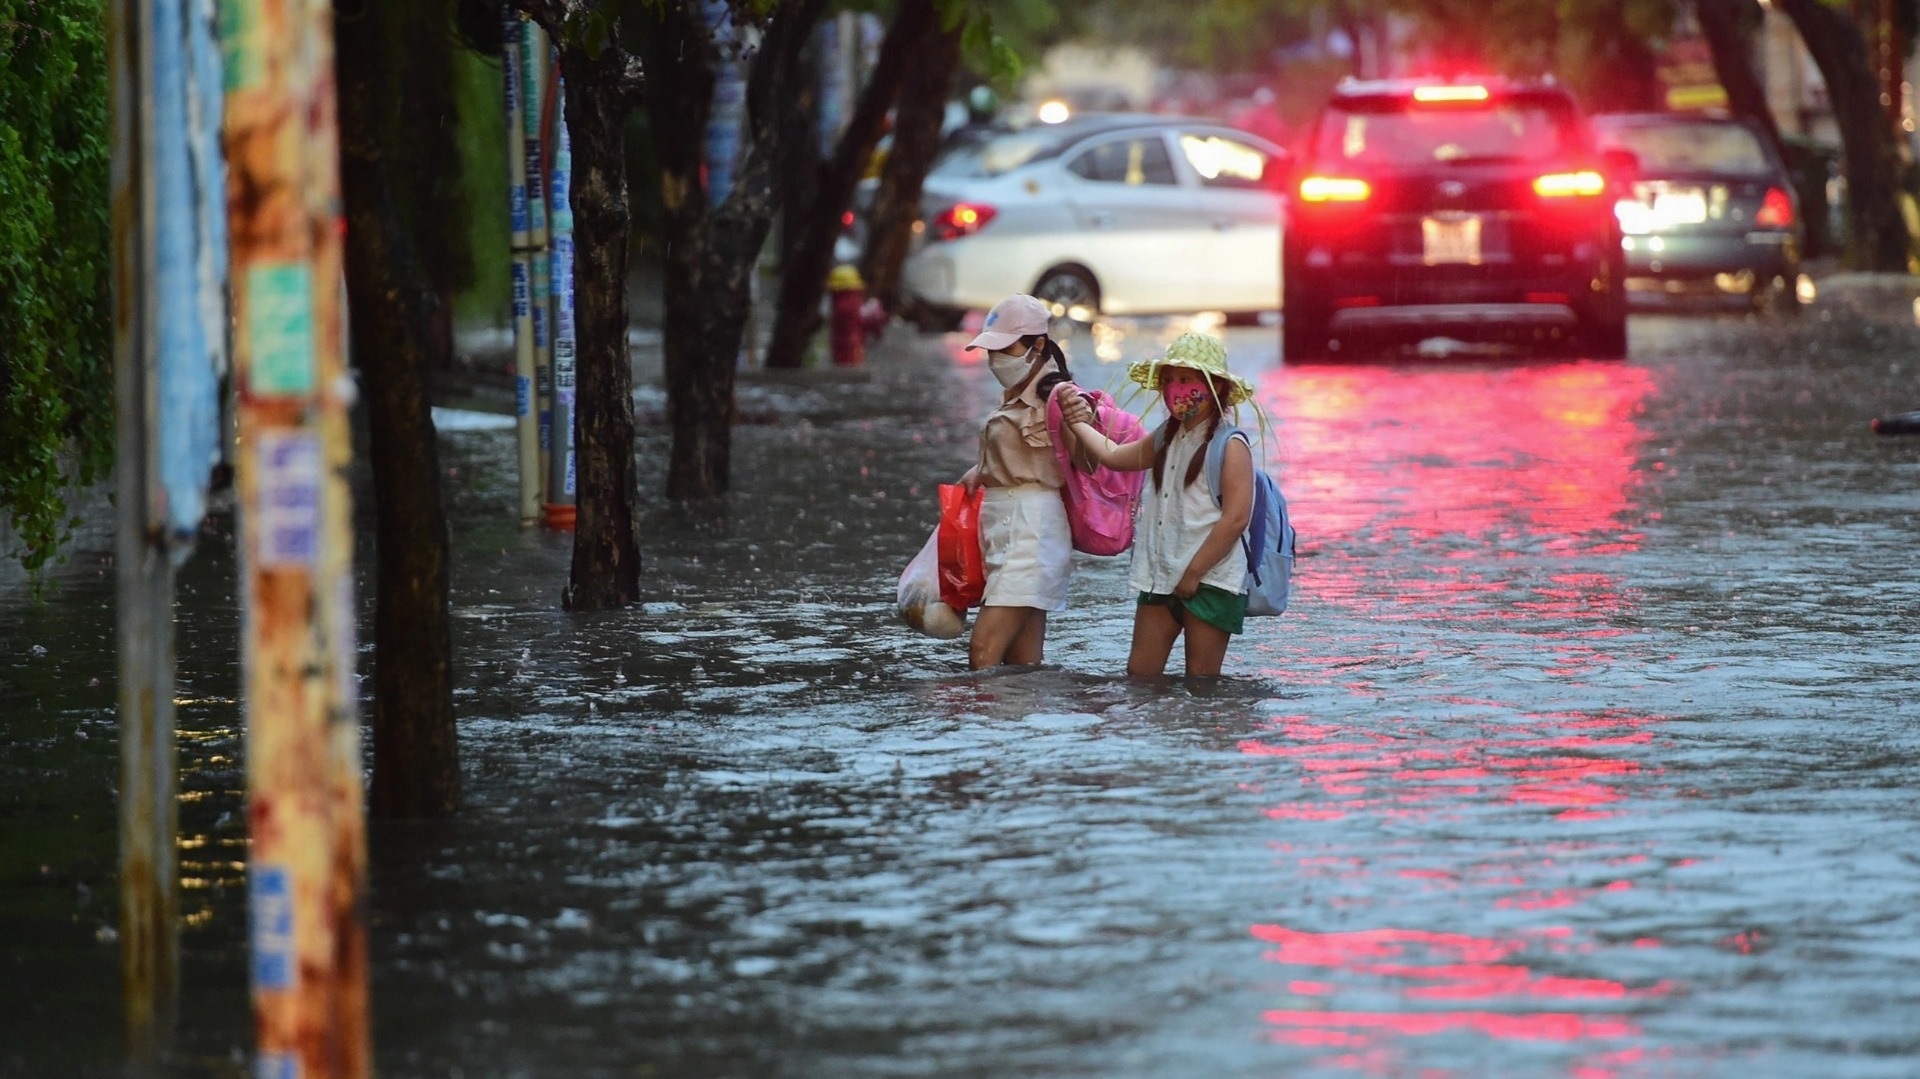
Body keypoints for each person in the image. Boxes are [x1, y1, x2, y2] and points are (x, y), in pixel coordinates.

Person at [1057, 333, 1257, 678]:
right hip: (1160, 577)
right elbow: (1115, 457)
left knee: (1202, 684)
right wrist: (1077, 423)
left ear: (1217, 387)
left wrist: (1193, 575)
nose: (1175, 389)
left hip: (1210, 580)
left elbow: (1236, 519)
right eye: (1168, 381)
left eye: (1186, 380)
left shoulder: (1231, 445)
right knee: (1140, 677)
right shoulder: (1168, 435)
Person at [957, 294, 1091, 669]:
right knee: (1023, 664)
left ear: (1039, 345)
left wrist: (1083, 423)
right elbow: (1026, 453)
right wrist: (982, 469)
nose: (995, 359)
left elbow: (1086, 463)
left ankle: (982, 709)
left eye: (1005, 349)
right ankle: (1023, 709)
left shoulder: (1061, 396)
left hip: (1032, 530)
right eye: (991, 350)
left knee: (983, 649)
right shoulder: (1016, 392)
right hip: (1004, 527)